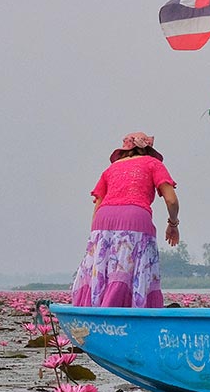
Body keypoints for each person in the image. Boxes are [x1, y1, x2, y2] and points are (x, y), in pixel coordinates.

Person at [69, 132, 180, 308]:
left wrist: (97, 241)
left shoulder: (109, 170)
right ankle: (129, 313)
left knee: (104, 268)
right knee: (130, 270)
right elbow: (171, 200)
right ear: (148, 150)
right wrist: (173, 224)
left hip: (102, 220)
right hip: (134, 218)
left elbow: (97, 205)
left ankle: (95, 312)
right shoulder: (153, 164)